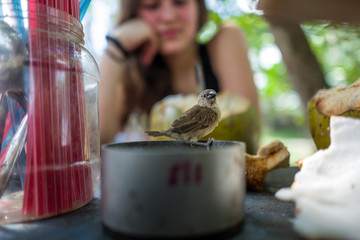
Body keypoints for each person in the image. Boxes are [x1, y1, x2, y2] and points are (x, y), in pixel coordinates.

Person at [99, 0, 259, 145]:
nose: (168, 17)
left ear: (198, 6)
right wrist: (116, 47)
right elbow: (97, 139)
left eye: (180, 2)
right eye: (152, 6)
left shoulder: (226, 40)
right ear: (134, 15)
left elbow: (247, 136)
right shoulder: (132, 76)